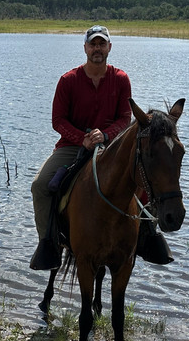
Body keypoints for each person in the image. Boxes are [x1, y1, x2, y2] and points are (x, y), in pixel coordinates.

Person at [29, 24, 170, 270]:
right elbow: (58, 120)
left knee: (146, 179)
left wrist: (105, 135)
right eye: (93, 44)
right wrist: (80, 138)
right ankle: (48, 244)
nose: (97, 48)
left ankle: (149, 237)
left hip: (111, 146)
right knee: (40, 186)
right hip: (73, 146)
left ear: (109, 47)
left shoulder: (121, 79)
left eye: (101, 44)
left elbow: (124, 118)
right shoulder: (68, 80)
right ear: (85, 48)